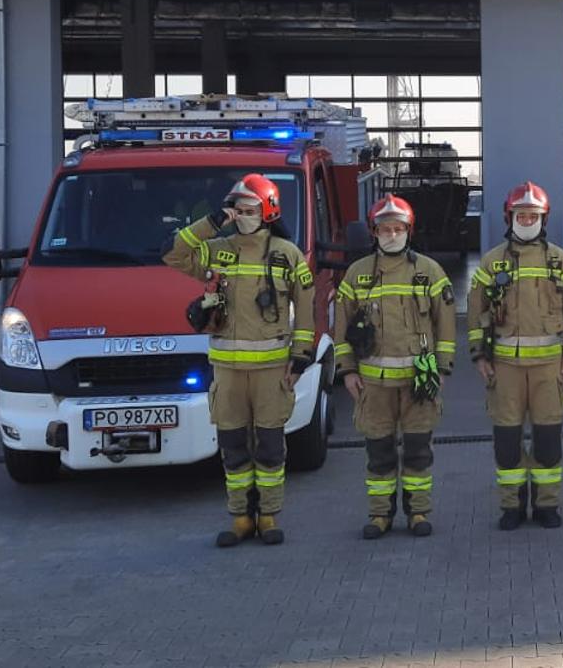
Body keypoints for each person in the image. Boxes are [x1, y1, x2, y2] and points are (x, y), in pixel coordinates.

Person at [162, 173, 315, 546]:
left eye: (250, 209)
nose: (242, 215)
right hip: (227, 373)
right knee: (232, 447)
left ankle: (269, 516)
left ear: (268, 211)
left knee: (270, 447)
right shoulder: (217, 249)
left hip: (271, 372)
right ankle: (240, 517)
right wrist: (212, 221)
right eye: (236, 209)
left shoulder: (287, 254)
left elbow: (307, 313)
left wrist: (300, 360)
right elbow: (173, 253)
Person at [334, 195, 455, 540]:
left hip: (420, 379)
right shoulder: (356, 274)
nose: (391, 234)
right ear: (374, 232)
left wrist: (442, 369)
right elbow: (341, 327)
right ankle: (379, 515)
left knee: (418, 451)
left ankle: (418, 512)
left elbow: (445, 326)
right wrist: (348, 370)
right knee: (379, 453)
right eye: (385, 229)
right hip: (373, 385)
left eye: (398, 228)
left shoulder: (429, 271)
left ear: (408, 230)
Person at [466, 181, 563, 530]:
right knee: (507, 442)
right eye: (521, 214)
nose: (527, 220)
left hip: (549, 368)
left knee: (548, 441)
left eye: (533, 215)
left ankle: (547, 505)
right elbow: (476, 314)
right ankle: (511, 506)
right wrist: (479, 356)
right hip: (505, 369)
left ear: (544, 218)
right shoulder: (491, 262)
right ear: (509, 217)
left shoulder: (560, 261)